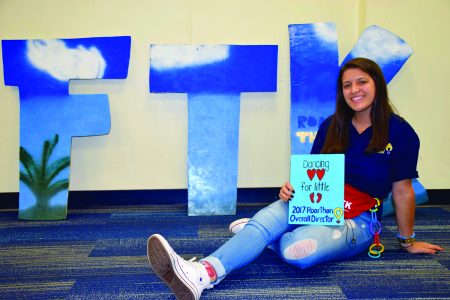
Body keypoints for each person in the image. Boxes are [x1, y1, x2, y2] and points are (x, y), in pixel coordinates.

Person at [147, 57, 444, 300]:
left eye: (362, 82)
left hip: (360, 220)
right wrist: (292, 187)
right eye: (347, 85)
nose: (354, 90)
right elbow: (313, 172)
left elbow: (403, 191)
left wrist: (407, 242)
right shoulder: (332, 126)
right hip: (315, 204)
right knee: (270, 217)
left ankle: (260, 236)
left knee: (296, 252)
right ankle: (202, 274)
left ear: (377, 84)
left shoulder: (401, 132)